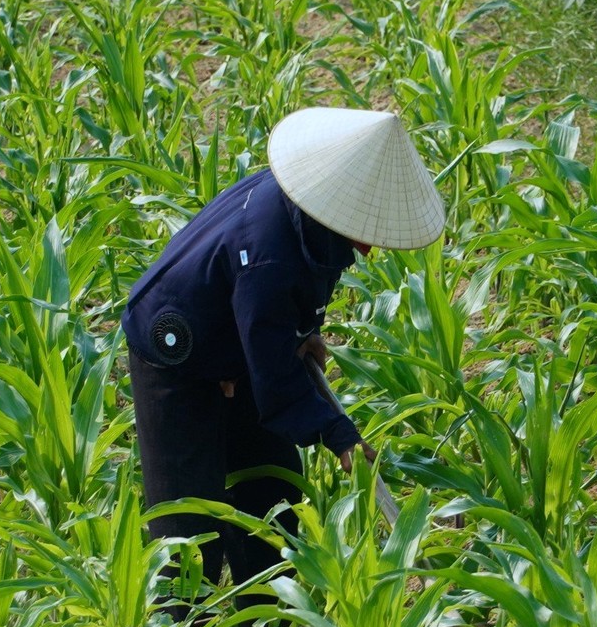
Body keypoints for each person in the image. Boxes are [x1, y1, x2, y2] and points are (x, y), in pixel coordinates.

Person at [122, 107, 445, 602]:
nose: (373, 247)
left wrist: (304, 329)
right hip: (177, 349)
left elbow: (289, 301)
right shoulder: (270, 252)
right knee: (189, 513)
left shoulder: (309, 211)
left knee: (271, 490)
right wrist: (340, 437)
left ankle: (271, 625)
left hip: (240, 332)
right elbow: (274, 374)